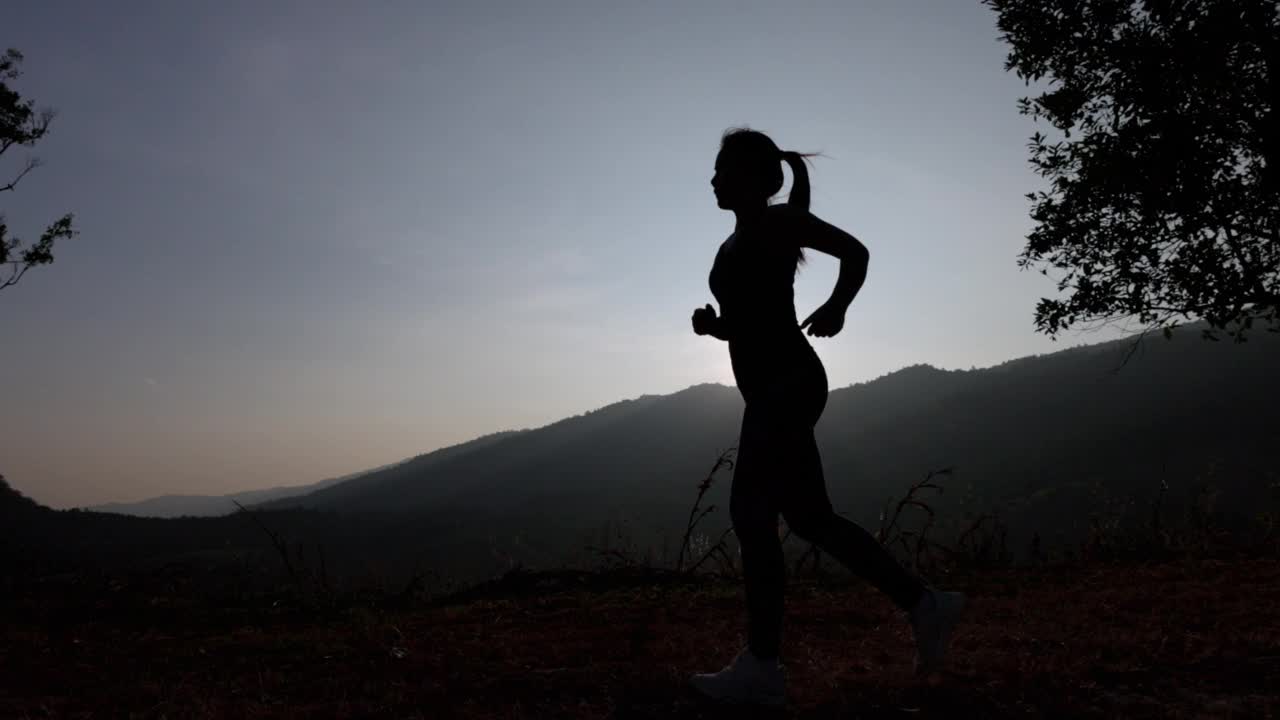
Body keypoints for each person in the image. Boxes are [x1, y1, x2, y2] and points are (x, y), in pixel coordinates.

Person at [688, 128, 965, 707]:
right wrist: (717, 327)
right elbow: (752, 318)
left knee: (750, 514)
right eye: (714, 171)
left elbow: (856, 253)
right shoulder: (731, 244)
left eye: (725, 170)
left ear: (761, 180)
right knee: (812, 519)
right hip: (770, 386)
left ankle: (763, 667)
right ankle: (925, 605)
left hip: (787, 384)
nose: (714, 179)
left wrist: (838, 305)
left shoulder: (780, 223)